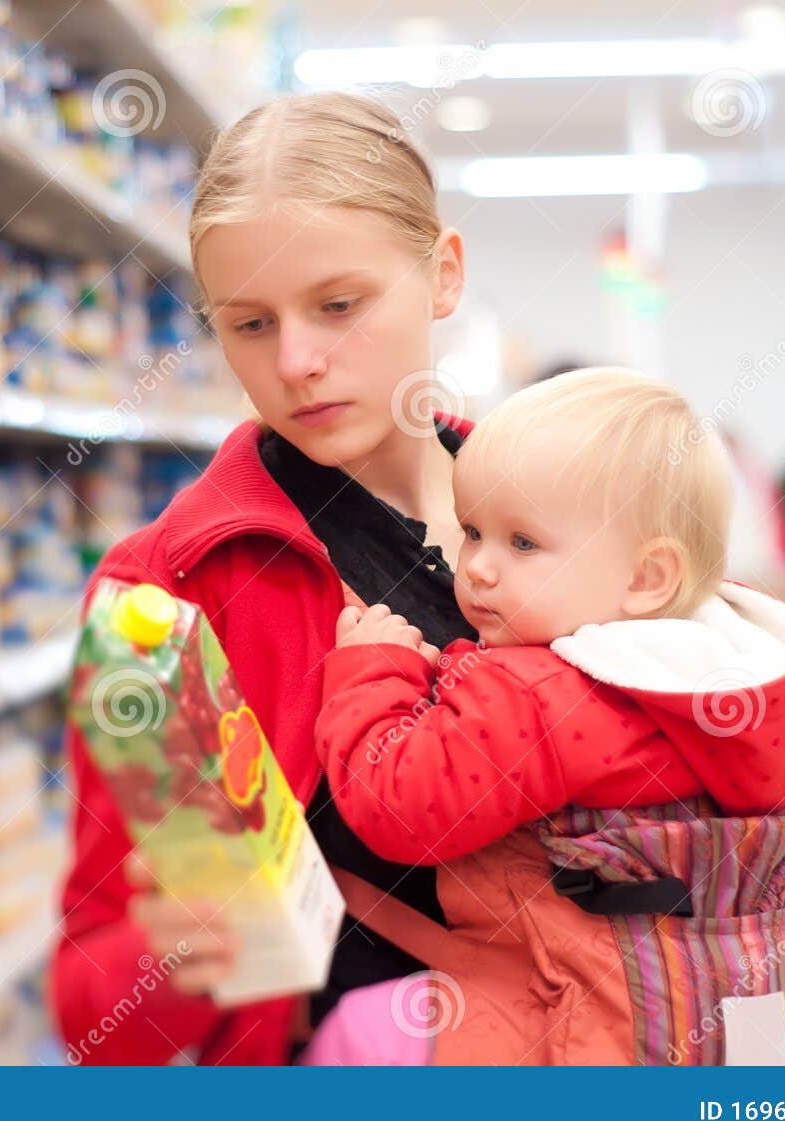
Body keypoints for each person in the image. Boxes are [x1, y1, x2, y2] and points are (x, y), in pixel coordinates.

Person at [52, 90, 477, 1065]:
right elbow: (92, 1013)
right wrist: (171, 957)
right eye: (248, 324)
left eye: (338, 306)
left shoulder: (569, 517)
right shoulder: (159, 602)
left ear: (442, 272)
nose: (296, 362)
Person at [304, 369, 785, 1064]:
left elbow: (400, 807)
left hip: (583, 1030)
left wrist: (373, 670)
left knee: (356, 1035)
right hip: (757, 1018)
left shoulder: (539, 693)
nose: (480, 569)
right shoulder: (739, 675)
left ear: (648, 579)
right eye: (473, 531)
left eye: (522, 543)